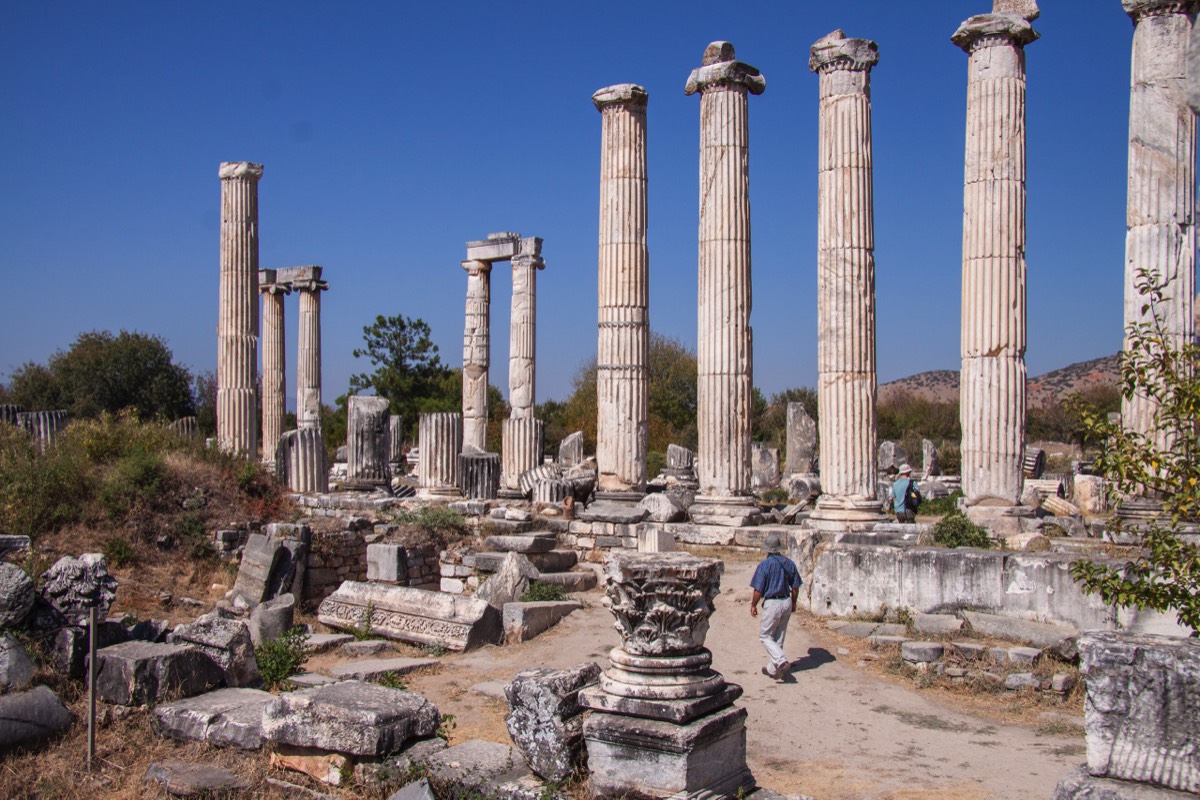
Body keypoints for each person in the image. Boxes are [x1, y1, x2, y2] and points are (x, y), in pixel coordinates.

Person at [749, 532, 802, 680]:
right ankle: (773, 669)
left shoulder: (765, 565)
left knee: (765, 635)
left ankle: (781, 661)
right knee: (779, 636)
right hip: (786, 600)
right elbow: (796, 586)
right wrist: (794, 602)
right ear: (779, 548)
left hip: (772, 602)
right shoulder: (789, 563)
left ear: (767, 549)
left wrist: (753, 604)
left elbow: (758, 589)